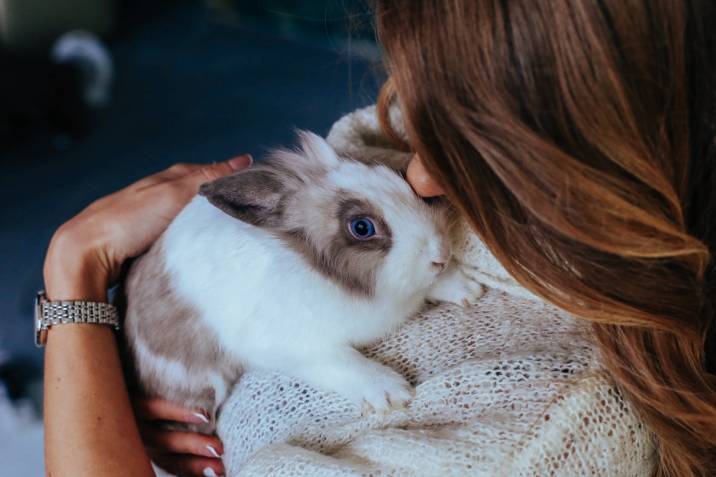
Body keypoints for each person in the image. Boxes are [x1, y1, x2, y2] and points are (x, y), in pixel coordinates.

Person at [42, 1, 715, 476]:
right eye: (428, 105)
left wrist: (74, 276)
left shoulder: (533, 437)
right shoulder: (421, 161)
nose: (418, 171)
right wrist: (109, 370)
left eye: (478, 136)